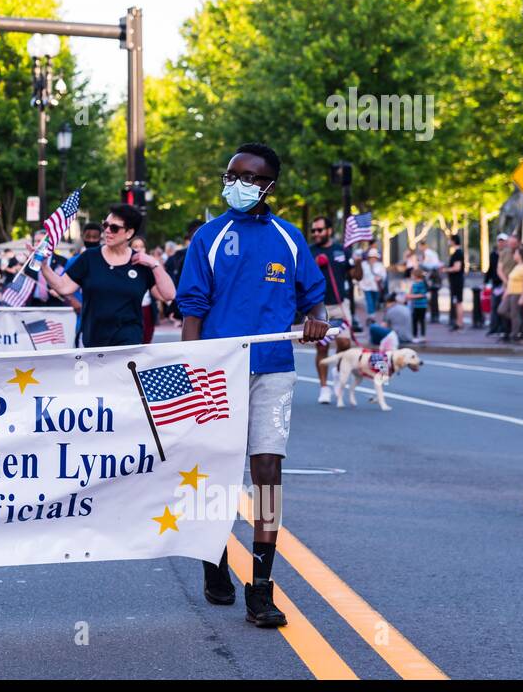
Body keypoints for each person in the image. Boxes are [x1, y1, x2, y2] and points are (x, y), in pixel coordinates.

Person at [175, 142, 329, 629]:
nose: (235, 184)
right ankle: (213, 557)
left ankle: (261, 587)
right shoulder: (209, 236)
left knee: (266, 472)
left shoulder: (289, 238)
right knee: (219, 470)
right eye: (230, 174)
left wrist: (317, 321)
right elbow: (192, 310)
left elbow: (315, 302)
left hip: (274, 368)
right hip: (217, 369)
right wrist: (192, 367)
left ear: (268, 187)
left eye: (247, 177)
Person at [38, 204, 175, 347]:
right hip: (94, 342)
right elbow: (63, 287)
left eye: (114, 228)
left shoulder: (141, 262)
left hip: (128, 343)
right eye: (106, 225)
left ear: (129, 233)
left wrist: (154, 264)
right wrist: (44, 266)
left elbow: (168, 294)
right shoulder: (90, 257)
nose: (107, 231)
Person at [310, 216, 361, 404]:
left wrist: (357, 262)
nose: (316, 234)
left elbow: (356, 276)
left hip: (340, 305)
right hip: (318, 306)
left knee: (345, 344)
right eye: (314, 230)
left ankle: (338, 372)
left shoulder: (342, 251)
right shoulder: (310, 251)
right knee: (322, 346)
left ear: (329, 231)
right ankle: (324, 388)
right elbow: (303, 277)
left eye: (320, 230)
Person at [500, 245, 523, 342]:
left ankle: (515, 334)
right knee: (502, 310)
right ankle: (519, 322)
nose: (514, 255)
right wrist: (506, 293)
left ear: (520, 255)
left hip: (517, 293)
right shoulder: (516, 267)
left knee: (515, 314)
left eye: (515, 253)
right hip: (510, 293)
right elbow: (511, 281)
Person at [445, 233, 466, 330]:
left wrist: (446, 270)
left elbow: (457, 268)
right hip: (455, 280)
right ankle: (458, 322)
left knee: (458, 301)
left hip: (457, 281)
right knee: (457, 301)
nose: (448, 242)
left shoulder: (458, 253)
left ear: (453, 241)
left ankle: (459, 322)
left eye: (450, 240)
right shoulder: (457, 252)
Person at [359, 248, 385, 320]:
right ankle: (371, 317)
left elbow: (383, 275)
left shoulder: (379, 265)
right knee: (369, 301)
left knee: (374, 302)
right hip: (366, 286)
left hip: (376, 287)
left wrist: (379, 278)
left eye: (374, 257)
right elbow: (360, 274)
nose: (373, 258)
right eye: (372, 257)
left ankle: (371, 315)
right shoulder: (364, 264)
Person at [407, 267, 429, 342]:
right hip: (415, 306)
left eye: (412, 275)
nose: (411, 276)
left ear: (416, 275)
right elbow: (410, 292)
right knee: (414, 321)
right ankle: (415, 336)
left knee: (421, 320)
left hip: (421, 305)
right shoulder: (414, 284)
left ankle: (422, 336)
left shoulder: (422, 284)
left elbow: (423, 294)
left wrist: (411, 296)